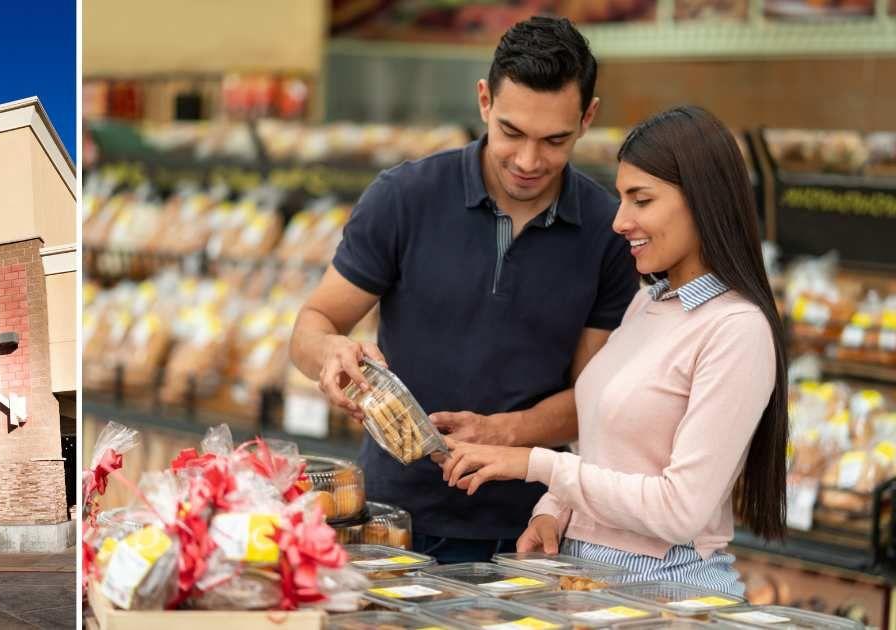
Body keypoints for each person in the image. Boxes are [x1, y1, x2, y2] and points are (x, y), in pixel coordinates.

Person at [289, 15, 638, 563]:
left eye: (555, 140)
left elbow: (593, 400)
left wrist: (506, 433)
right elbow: (313, 324)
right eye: (512, 132)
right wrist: (330, 352)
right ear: (483, 101)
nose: (528, 161)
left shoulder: (610, 232)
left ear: (588, 118)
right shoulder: (404, 197)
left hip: (532, 535)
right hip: (390, 522)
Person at [440, 106, 788, 595]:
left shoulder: (736, 330)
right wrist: (552, 512)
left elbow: (680, 508)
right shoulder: (647, 301)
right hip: (584, 583)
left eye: (641, 199)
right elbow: (606, 445)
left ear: (703, 201)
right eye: (621, 198)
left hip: (667, 593)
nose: (620, 220)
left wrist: (535, 463)